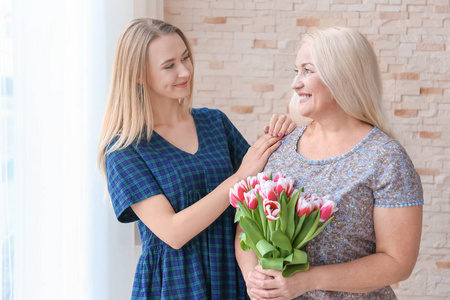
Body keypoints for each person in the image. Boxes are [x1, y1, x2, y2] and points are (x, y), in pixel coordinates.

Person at [97, 18, 295, 299]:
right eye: (169, 66)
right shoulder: (124, 150)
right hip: (175, 286)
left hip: (233, 274)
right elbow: (173, 232)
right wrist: (239, 177)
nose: (184, 71)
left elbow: (263, 188)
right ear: (138, 75)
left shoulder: (215, 123)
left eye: (185, 58)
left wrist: (282, 135)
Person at [235, 27, 423, 299]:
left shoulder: (386, 158)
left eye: (307, 71)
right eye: (296, 71)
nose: (295, 83)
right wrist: (255, 281)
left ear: (343, 77)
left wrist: (307, 280)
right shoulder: (280, 146)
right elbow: (247, 226)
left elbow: (397, 262)